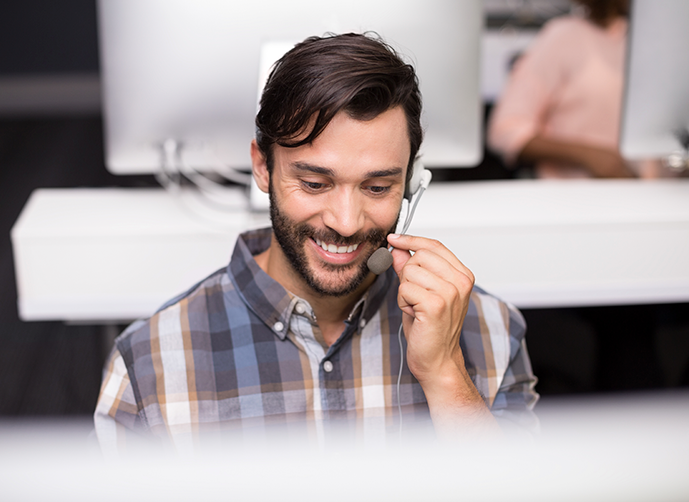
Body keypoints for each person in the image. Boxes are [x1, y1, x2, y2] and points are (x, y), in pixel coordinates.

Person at [94, 33, 538, 454]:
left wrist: (446, 375)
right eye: (314, 183)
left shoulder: (491, 330)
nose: (345, 223)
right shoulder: (148, 364)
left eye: (378, 188)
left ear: (410, 184)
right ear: (263, 168)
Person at [488, 0, 672, 179]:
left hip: (653, 197)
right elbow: (506, 130)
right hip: (576, 199)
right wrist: (589, 156)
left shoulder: (662, 43)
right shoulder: (564, 36)